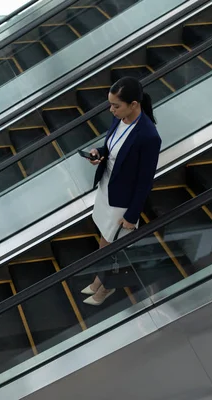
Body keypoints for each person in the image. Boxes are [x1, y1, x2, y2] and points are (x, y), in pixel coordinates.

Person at [82, 76, 161, 306]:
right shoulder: (121, 119)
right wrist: (99, 153)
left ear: (134, 104)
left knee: (112, 245)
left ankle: (106, 287)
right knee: (104, 238)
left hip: (123, 201)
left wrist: (132, 214)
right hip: (108, 189)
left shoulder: (148, 136)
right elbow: (112, 147)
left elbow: (145, 180)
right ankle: (100, 278)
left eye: (116, 105)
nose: (111, 110)